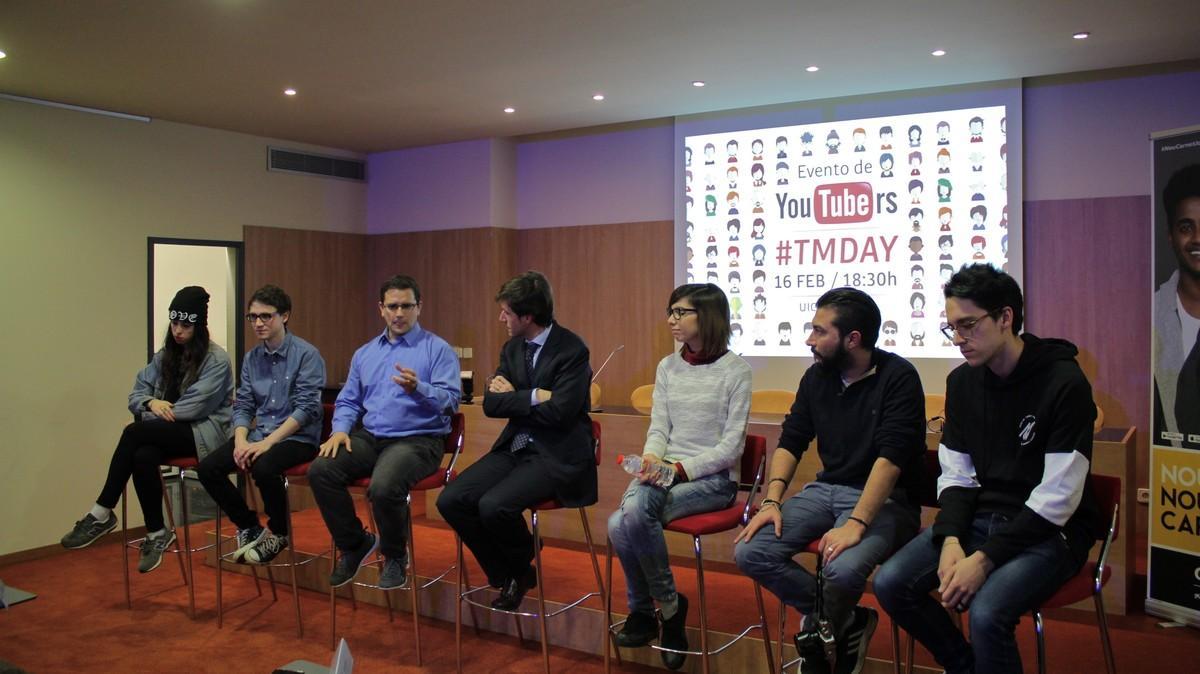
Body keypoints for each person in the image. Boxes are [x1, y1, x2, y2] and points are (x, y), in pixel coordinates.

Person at [874, 264, 1101, 674]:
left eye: (968, 326)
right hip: (981, 518)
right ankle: (967, 667)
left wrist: (983, 560)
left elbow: (1058, 498)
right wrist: (951, 541)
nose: (959, 340)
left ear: (1005, 317)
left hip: (1051, 531)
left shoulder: (1064, 383)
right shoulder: (962, 384)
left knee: (986, 611)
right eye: (952, 329)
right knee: (890, 584)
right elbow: (957, 475)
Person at [733, 287, 925, 674]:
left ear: (852, 339)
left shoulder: (899, 377)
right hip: (825, 490)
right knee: (751, 551)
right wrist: (771, 501)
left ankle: (825, 638)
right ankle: (842, 623)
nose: (809, 339)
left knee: (840, 567)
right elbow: (791, 440)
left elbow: (890, 462)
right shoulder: (817, 377)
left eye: (819, 331)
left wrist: (856, 523)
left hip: (886, 499)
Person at [607, 284, 752, 670]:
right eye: (670, 311)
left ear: (708, 316)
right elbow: (659, 428)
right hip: (667, 468)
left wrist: (678, 469)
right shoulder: (667, 366)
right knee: (620, 521)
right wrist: (653, 458)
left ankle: (655, 609)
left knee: (623, 520)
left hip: (713, 481)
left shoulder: (736, 370)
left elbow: (732, 447)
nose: (671, 319)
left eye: (681, 312)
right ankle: (664, 608)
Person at [437, 271, 596, 612]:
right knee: (451, 499)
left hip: (557, 452)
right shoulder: (512, 348)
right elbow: (492, 404)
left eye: (507, 312)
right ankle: (514, 569)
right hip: (516, 445)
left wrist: (517, 398)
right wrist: (538, 395)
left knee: (493, 506)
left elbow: (562, 415)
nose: (501, 318)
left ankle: (516, 567)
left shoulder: (572, 350)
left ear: (527, 316)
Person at [61, 286, 234, 575]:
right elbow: (136, 395)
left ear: (199, 326)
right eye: (174, 323)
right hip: (168, 433)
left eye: (186, 325)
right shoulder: (164, 356)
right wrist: (152, 402)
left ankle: (101, 512)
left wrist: (147, 415)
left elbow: (192, 409)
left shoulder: (217, 359)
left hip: (203, 435)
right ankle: (157, 532)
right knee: (142, 455)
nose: (178, 331)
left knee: (133, 433)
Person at [308, 275, 460, 589]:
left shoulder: (437, 349)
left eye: (407, 306)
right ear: (381, 309)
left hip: (419, 440)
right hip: (372, 436)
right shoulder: (365, 353)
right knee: (321, 470)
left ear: (419, 307)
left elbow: (451, 403)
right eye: (393, 306)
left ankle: (394, 556)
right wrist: (339, 430)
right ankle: (355, 544)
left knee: (384, 485)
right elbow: (349, 399)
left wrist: (419, 388)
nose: (399, 313)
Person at [196, 285, 325, 564]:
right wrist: (241, 440)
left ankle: (278, 533)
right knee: (208, 468)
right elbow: (243, 405)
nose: (258, 323)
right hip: (259, 433)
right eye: (253, 317)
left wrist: (267, 443)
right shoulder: (252, 358)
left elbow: (306, 409)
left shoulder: (306, 354)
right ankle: (248, 525)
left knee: (265, 468)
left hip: (297, 438)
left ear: (285, 316)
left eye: (266, 316)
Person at [1153, 164, 1200, 449]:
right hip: (1173, 473)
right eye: (1186, 227)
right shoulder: (1154, 312)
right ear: (1170, 235)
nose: (1197, 239)